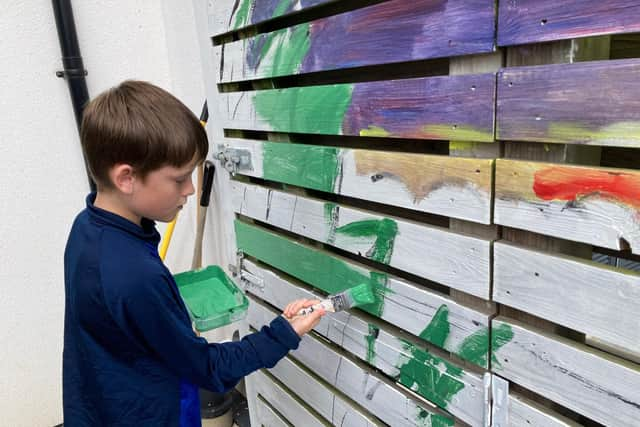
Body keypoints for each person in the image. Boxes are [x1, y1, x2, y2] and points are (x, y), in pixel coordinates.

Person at [63, 80, 325, 426]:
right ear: (126, 177)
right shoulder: (135, 275)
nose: (189, 189)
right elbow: (208, 369)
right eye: (179, 178)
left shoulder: (87, 228)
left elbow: (125, 322)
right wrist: (283, 333)